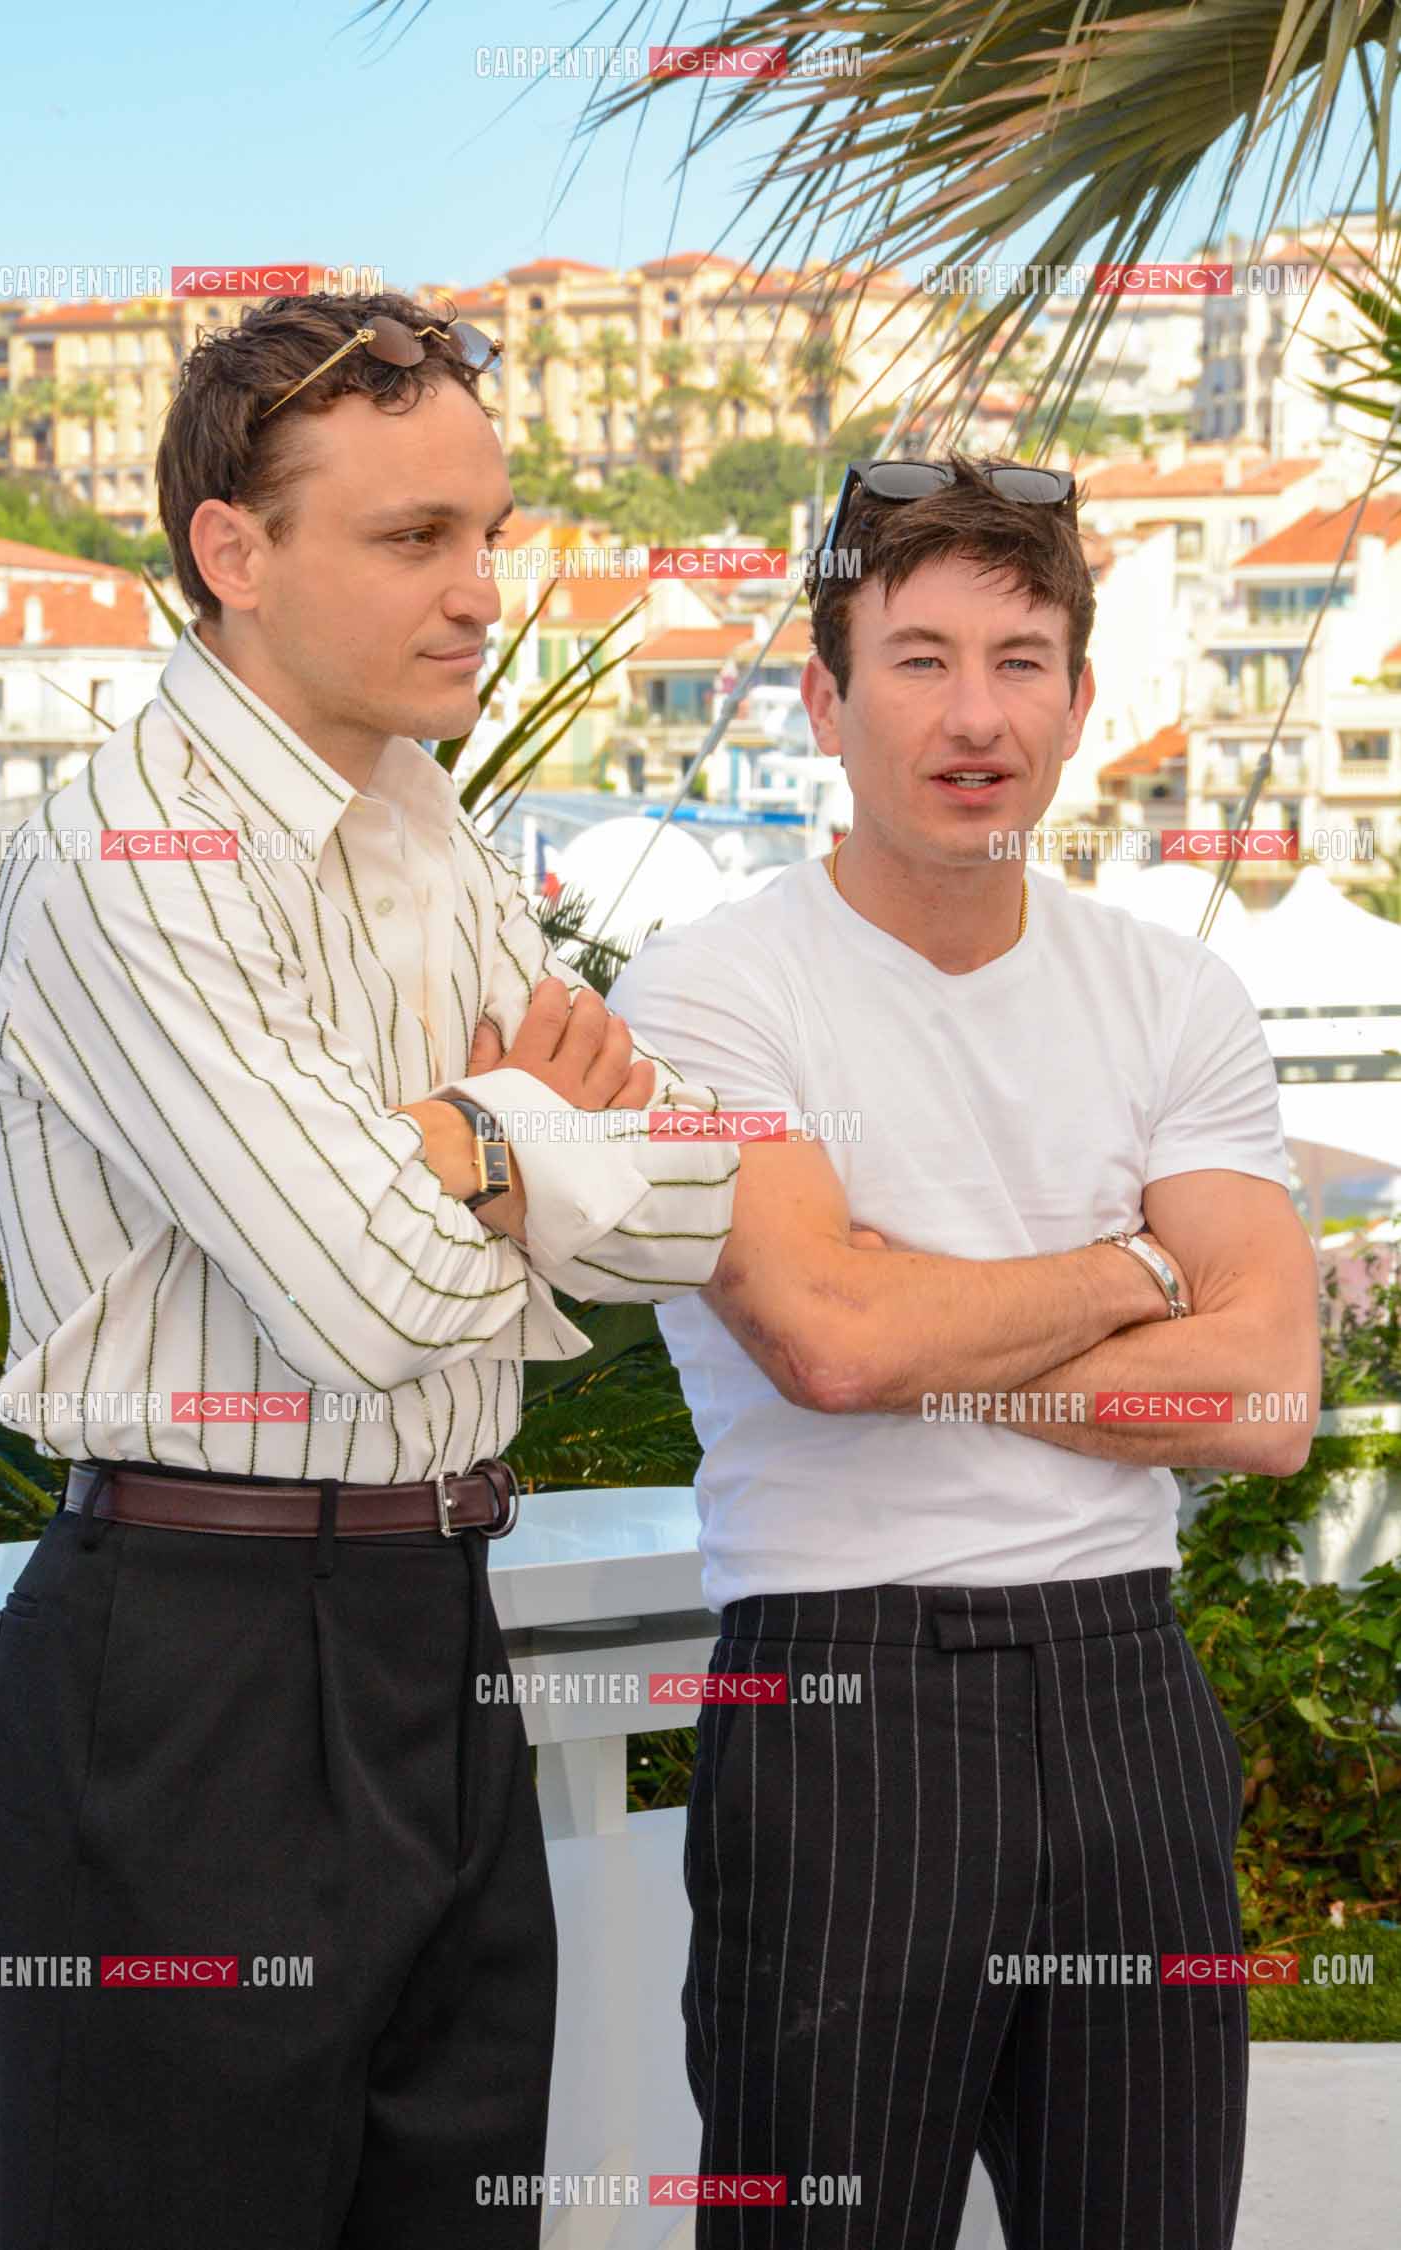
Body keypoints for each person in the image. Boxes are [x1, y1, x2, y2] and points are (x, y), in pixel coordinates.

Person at [0, 288, 744, 2250]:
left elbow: (665, 1211)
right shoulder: (137, 852)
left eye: (491, 529)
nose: (484, 588)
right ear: (235, 552)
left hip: (435, 1613)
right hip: (196, 1663)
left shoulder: (424, 820)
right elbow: (379, 1290)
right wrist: (504, 1120)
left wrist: (458, 1139)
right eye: (416, 539)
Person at [607, 451, 1321, 2249]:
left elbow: (1263, 1400)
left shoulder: (1174, 991)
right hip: (839, 1698)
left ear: (1082, 701)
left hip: (1126, 1693)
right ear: (824, 700)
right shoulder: (709, 991)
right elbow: (832, 1346)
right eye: (918, 659)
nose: (973, 713)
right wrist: (1143, 1259)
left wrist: (932, 1312)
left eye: (1021, 660)